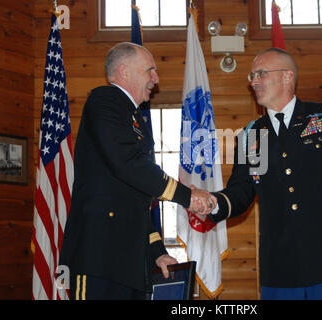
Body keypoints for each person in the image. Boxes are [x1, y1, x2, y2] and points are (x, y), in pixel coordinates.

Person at [204, 48, 322, 300]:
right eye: (252, 75)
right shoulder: (251, 136)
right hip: (280, 270)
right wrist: (213, 203)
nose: (253, 81)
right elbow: (241, 192)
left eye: (260, 74)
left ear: (287, 76)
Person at [58, 42, 216, 300]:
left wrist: (157, 252)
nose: (156, 78)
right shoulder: (105, 100)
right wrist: (187, 196)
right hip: (99, 257)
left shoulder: (133, 117)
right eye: (150, 70)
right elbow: (128, 164)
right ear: (124, 71)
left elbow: (138, 202)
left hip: (129, 265)